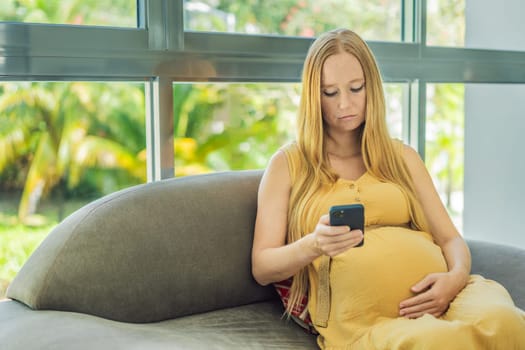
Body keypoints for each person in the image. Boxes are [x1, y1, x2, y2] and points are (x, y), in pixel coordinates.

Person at [251, 28, 525, 349]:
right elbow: (262, 267)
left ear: (372, 88)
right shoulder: (288, 164)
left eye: (356, 88)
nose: (345, 104)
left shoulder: (402, 157)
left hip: (450, 296)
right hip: (366, 320)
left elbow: (451, 239)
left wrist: (454, 280)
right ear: (313, 96)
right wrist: (314, 244)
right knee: (435, 342)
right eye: (330, 92)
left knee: (507, 322)